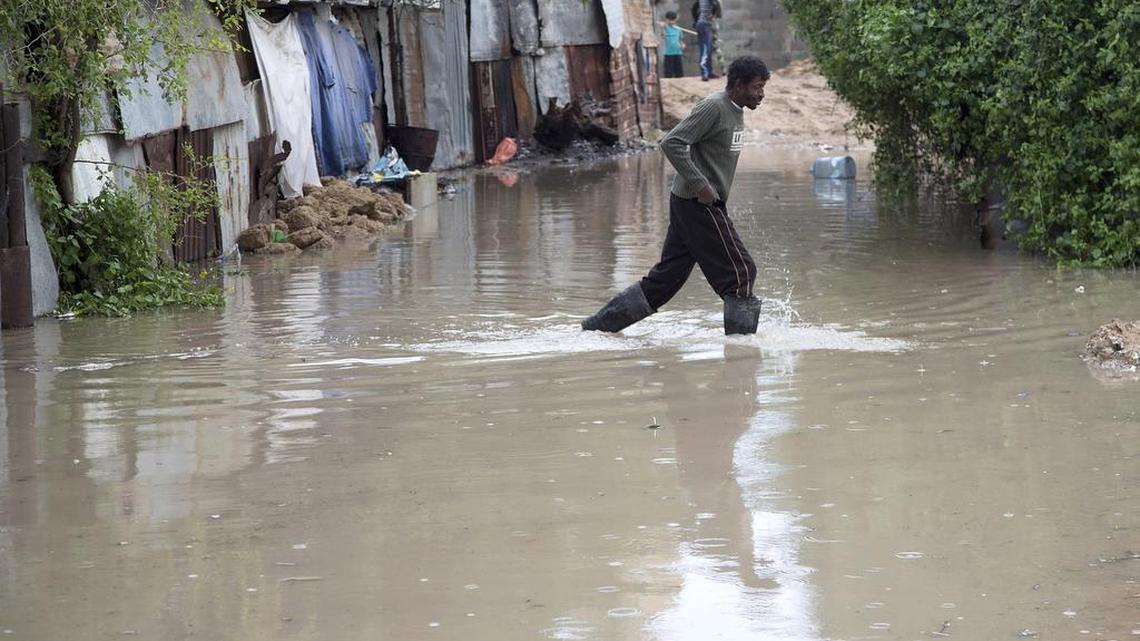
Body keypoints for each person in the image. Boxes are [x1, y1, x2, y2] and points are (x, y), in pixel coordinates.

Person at [581, 56, 770, 335]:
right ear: (739, 85)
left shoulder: (734, 110)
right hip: (698, 203)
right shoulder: (714, 107)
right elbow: (672, 142)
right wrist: (701, 185)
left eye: (763, 87)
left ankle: (597, 329)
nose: (761, 94)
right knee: (741, 273)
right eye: (757, 87)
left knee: (666, 280)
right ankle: (741, 355)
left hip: (694, 203)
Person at [690, 0, 722, 81]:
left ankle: (709, 72)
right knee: (705, 49)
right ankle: (705, 73)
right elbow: (718, 3)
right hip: (703, 24)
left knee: (709, 49)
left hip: (706, 24)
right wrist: (717, 15)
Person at [661, 11, 686, 79]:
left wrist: (682, 44)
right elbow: (663, 36)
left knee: (679, 73)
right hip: (668, 53)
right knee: (668, 73)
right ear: (667, 19)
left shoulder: (678, 29)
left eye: (673, 20)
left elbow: (680, 40)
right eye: (670, 20)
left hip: (678, 52)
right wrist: (663, 27)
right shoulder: (665, 28)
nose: (672, 22)